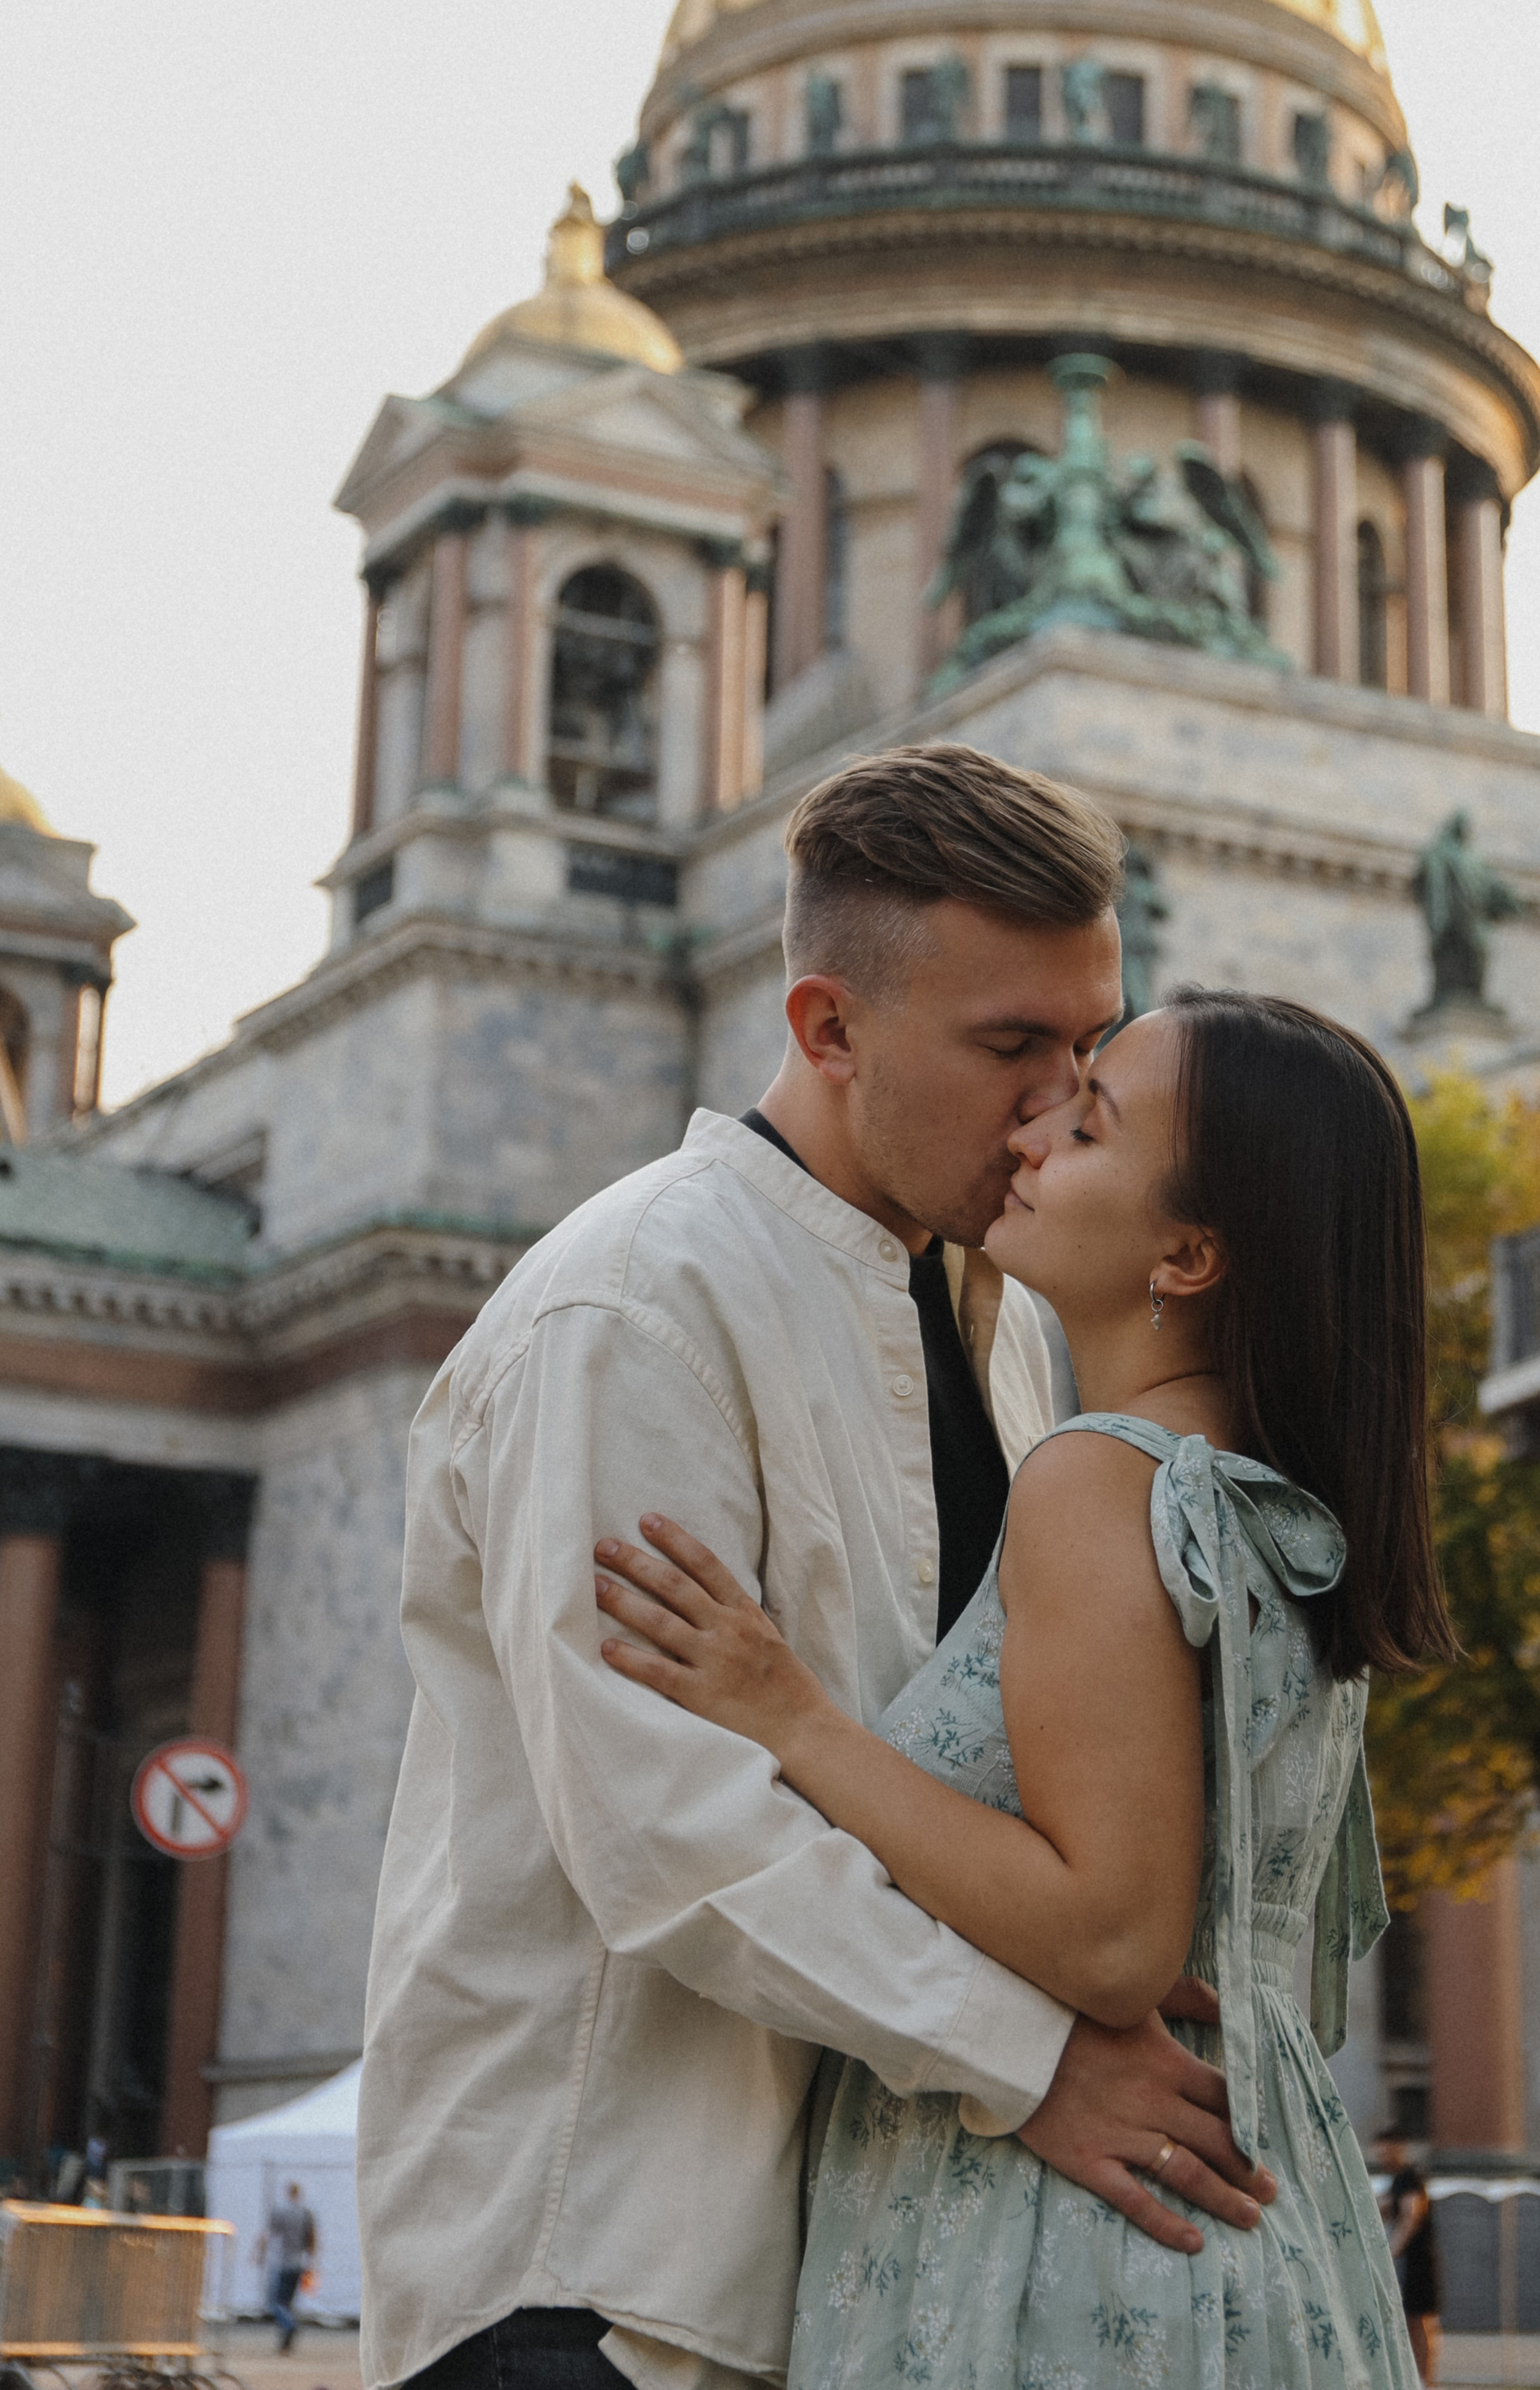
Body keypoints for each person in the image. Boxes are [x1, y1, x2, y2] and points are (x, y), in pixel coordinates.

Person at [357, 746, 1272, 2390]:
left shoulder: (1002, 1320)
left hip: (850, 2273)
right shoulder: (631, 1307)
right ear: (828, 1028)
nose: (1057, 1103)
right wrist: (1032, 2060)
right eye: (1011, 1045)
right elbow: (668, 1832)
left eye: (1088, 1044)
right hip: (600, 2285)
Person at [596, 985, 1454, 2384]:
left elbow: (1112, 1940)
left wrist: (793, 1717)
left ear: (1188, 1253)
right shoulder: (1260, 1502)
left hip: (1064, 2239)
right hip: (1255, 2213)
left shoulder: (1099, 1479)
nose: (1036, 1132)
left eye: (1091, 1125)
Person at [1377, 2130, 1440, 2383]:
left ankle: (1424, 2381)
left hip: (1417, 2262)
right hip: (1409, 2263)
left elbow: (1411, 2215)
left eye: (1386, 2150)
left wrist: (1391, 2251)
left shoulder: (1408, 2178)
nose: (1382, 2156)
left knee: (1419, 2321)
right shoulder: (1397, 2181)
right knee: (1412, 2320)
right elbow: (1383, 2209)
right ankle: (1417, 2378)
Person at [261, 2184, 318, 2353]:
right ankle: (285, 2343)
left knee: (276, 2302)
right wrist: (311, 2262)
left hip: (282, 2262)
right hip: (299, 2262)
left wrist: (259, 2254)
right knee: (289, 2303)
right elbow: (312, 2238)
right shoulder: (306, 2212)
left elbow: (268, 2234)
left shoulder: (280, 2211)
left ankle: (289, 2325)